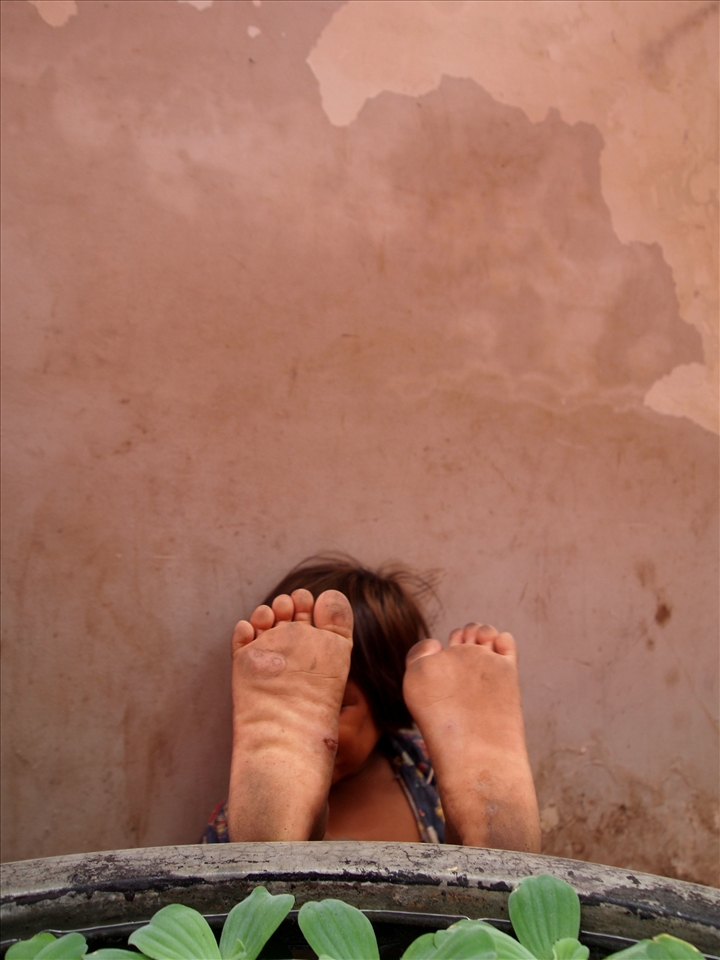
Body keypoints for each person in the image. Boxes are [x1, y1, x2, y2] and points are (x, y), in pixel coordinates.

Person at [202, 555, 540, 852]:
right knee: (256, 828)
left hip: (431, 918)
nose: (316, 729)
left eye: (336, 708)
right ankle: (291, 832)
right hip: (434, 923)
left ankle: (480, 833)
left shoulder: (428, 766)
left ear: (384, 703)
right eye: (292, 714)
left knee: (251, 861)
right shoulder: (246, 804)